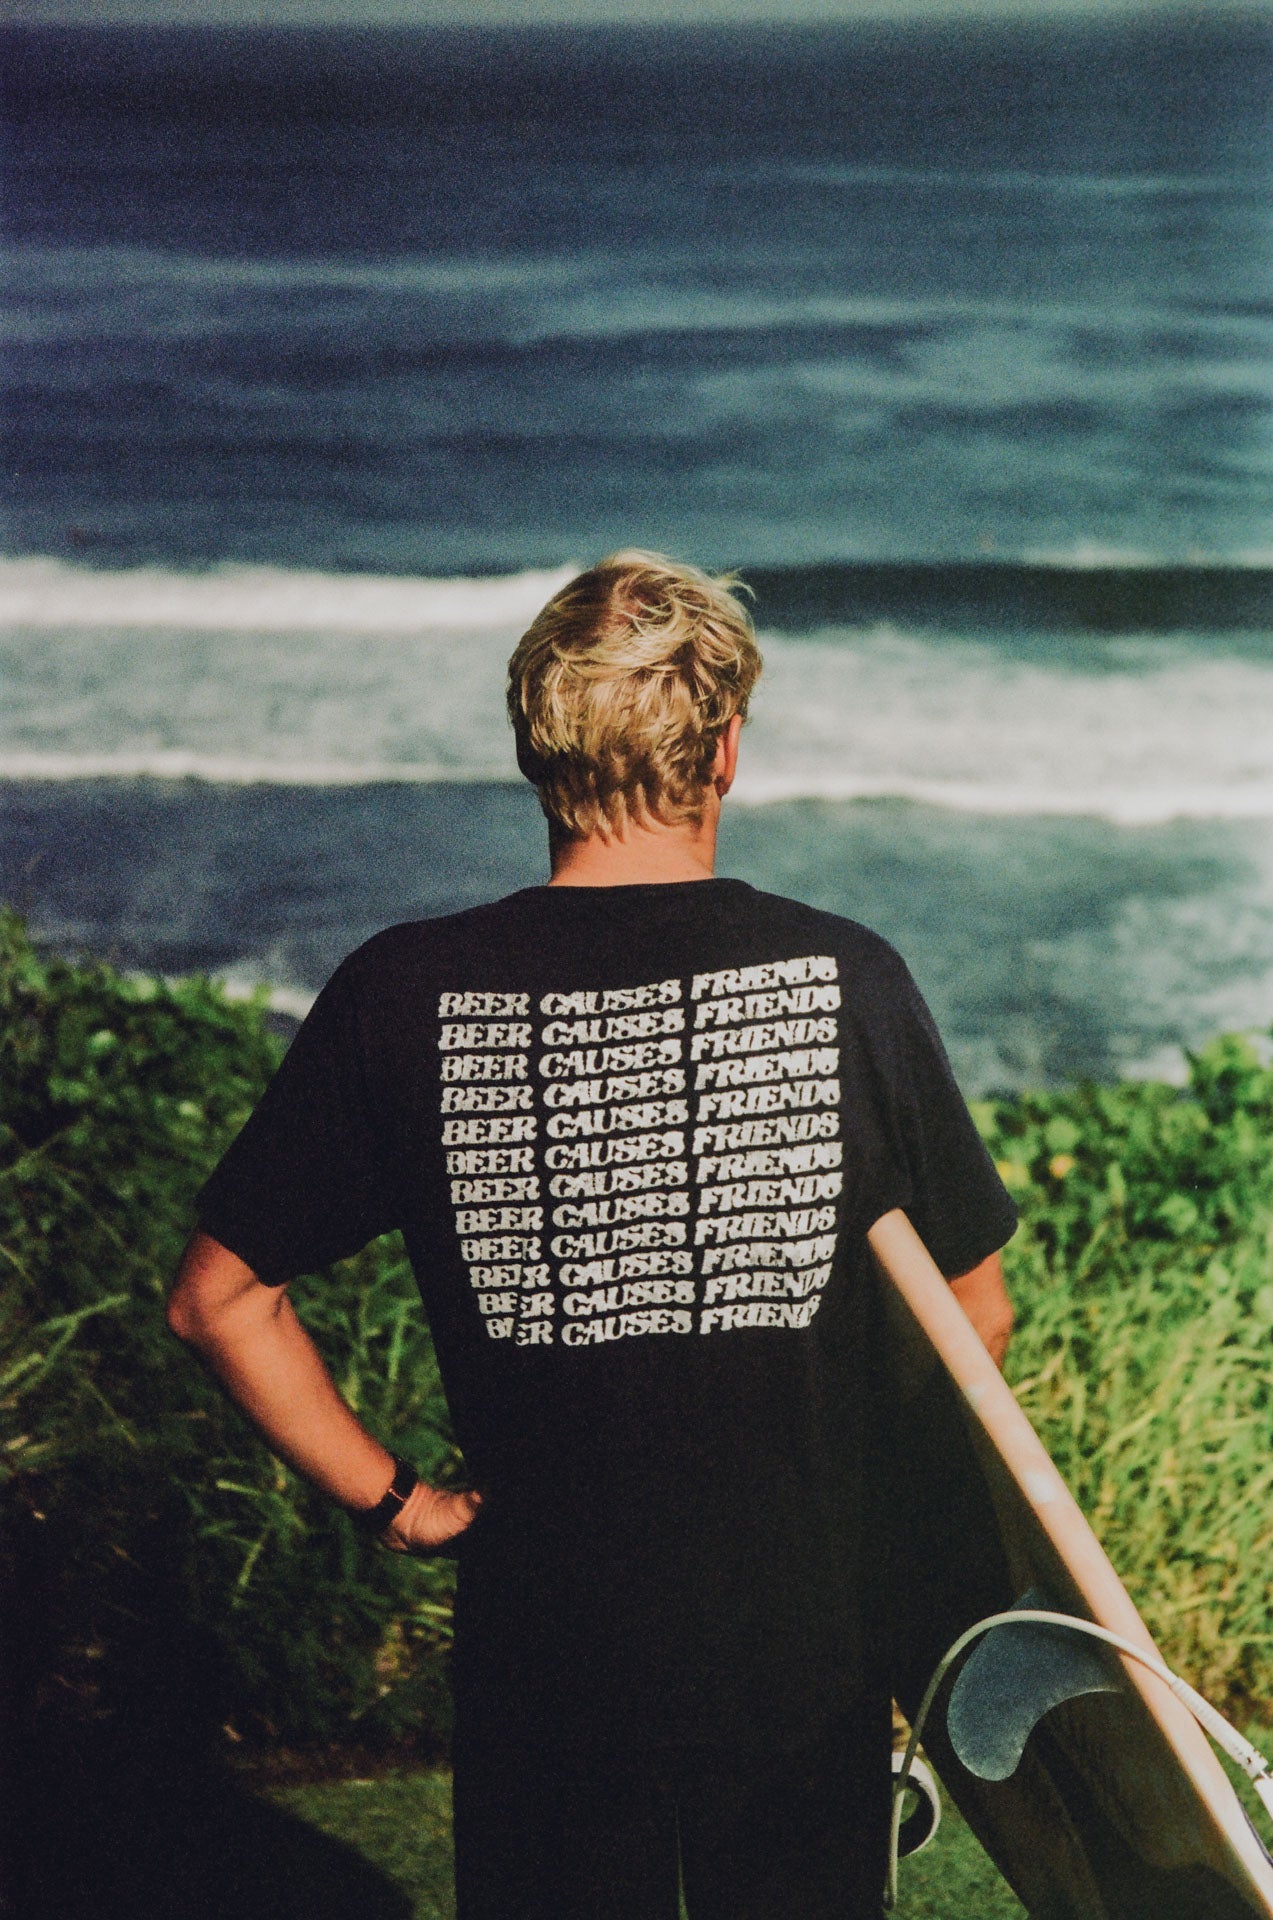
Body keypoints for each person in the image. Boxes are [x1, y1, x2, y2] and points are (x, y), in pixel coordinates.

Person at [168, 550, 1016, 1920]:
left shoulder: (404, 992)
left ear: (532, 747)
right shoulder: (846, 977)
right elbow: (971, 1321)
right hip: (796, 1643)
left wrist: (398, 1500)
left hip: (543, 1650)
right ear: (725, 748)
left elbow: (218, 1302)